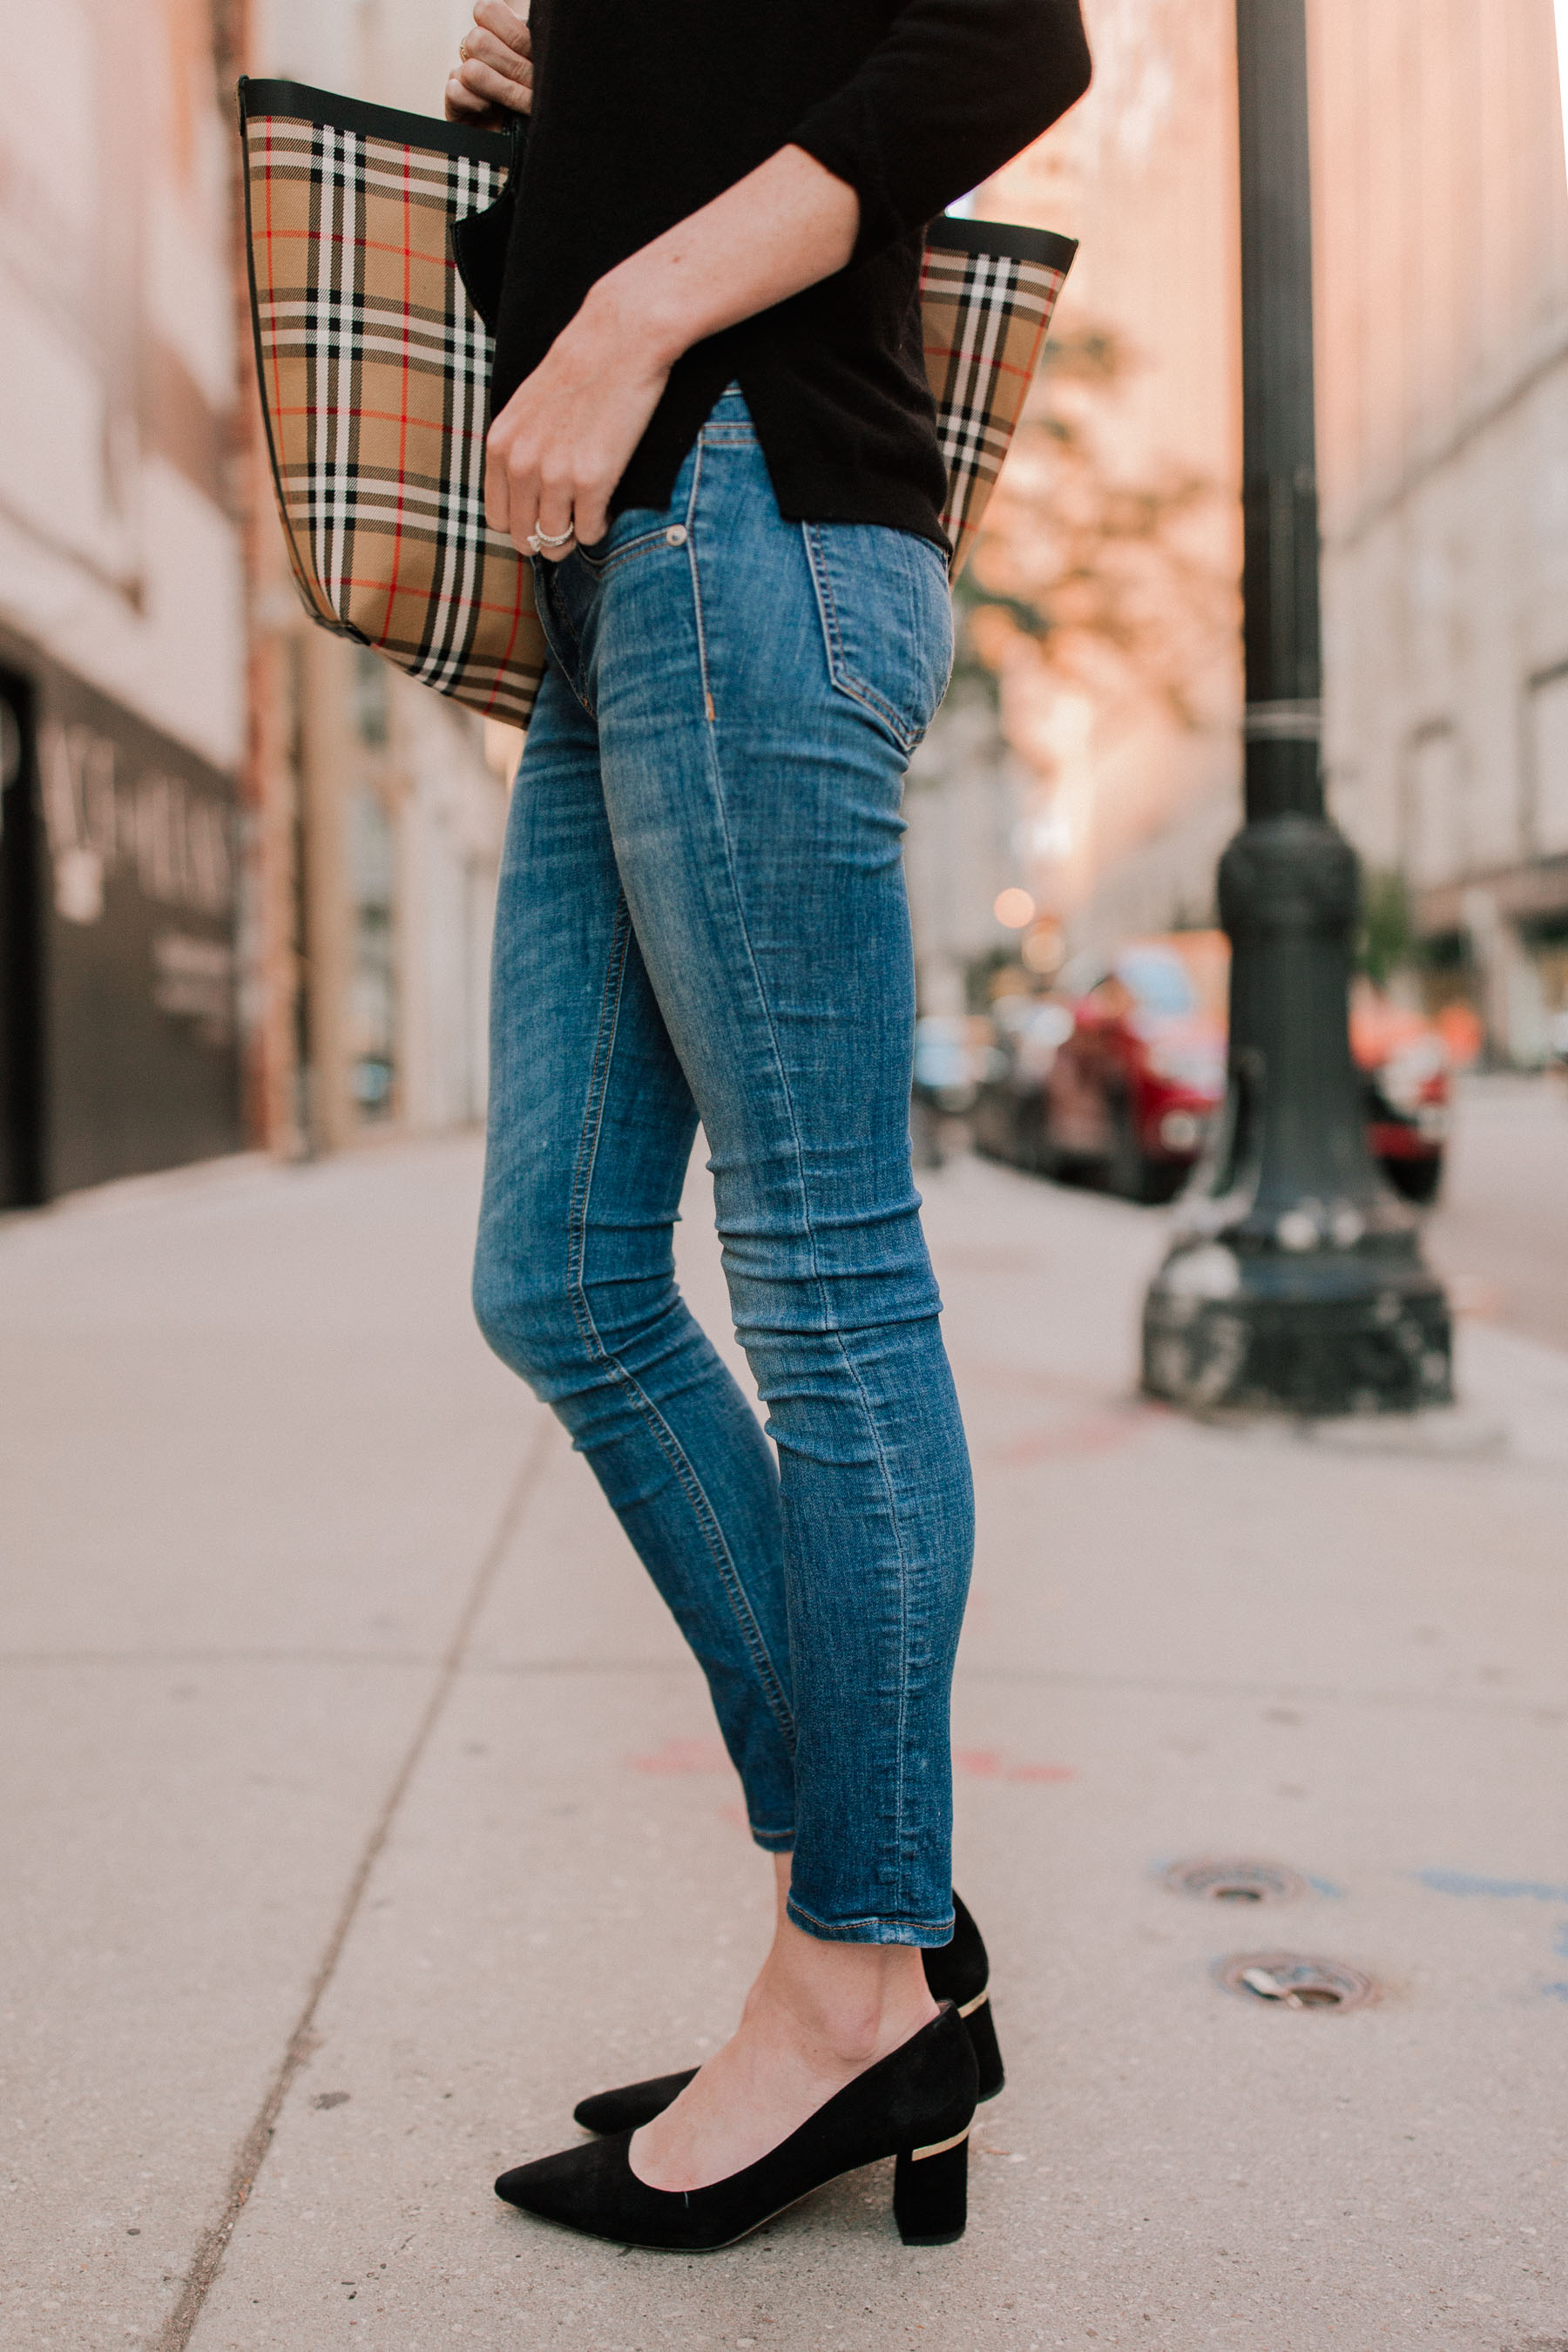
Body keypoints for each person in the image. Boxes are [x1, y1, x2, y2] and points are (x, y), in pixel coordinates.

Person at [453, 0, 1091, 2251]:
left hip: (750, 517)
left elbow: (1012, 40)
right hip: (622, 578)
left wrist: (628, 303)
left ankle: (850, 1971)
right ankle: (883, 1906)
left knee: (822, 1276)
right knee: (556, 1268)